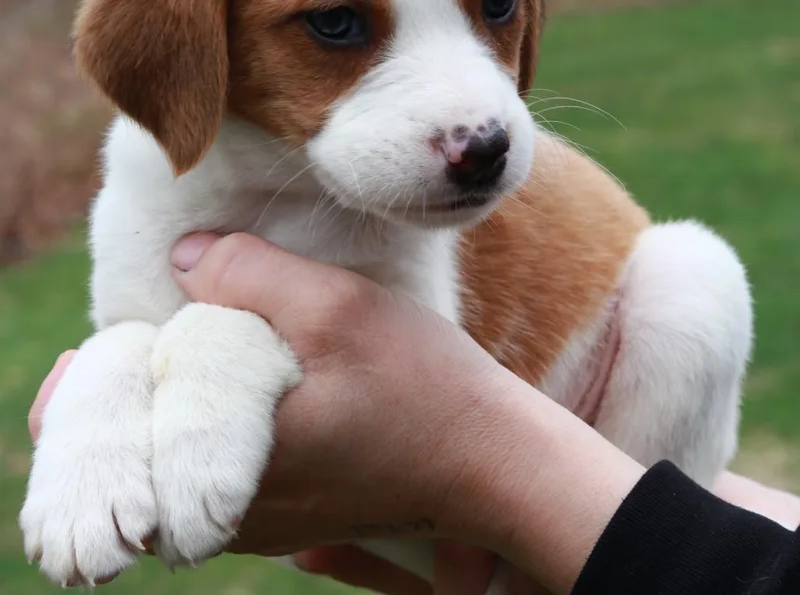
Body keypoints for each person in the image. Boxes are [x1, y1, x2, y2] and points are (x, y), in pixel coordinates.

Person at [28, 233, 800, 594]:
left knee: (694, 282)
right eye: (336, 24)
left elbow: (384, 354)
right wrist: (99, 408)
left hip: (618, 440)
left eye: (497, 6)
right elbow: (135, 325)